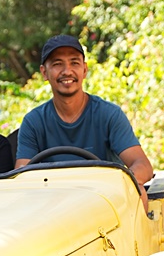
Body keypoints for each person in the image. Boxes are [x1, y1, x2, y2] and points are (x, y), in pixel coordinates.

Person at [14, 35, 154, 188]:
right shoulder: (34, 122)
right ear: (44, 72)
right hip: (52, 201)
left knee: (138, 191)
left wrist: (122, 182)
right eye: (57, 64)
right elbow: (22, 176)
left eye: (74, 63)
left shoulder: (109, 114)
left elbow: (142, 165)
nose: (67, 71)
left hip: (104, 197)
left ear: (85, 69)